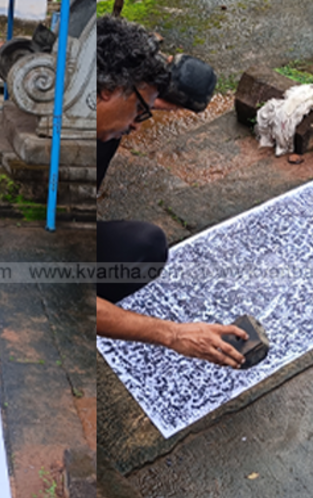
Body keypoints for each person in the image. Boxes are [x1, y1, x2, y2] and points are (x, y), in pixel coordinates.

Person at [94, 15, 248, 368]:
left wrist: (148, 85)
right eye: (140, 109)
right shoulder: (55, 153)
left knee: (146, 245)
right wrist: (173, 333)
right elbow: (62, 297)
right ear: (106, 89)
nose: (137, 123)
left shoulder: (86, 90)